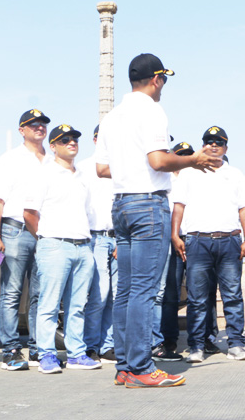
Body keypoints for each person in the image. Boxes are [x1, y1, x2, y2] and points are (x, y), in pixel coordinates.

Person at [96, 53, 218, 388]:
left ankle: (124, 366)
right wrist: (192, 159)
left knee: (126, 291)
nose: (163, 86)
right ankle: (140, 367)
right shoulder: (151, 110)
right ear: (156, 79)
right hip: (148, 204)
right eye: (163, 80)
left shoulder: (112, 117)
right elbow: (158, 160)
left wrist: (131, 166)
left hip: (120, 204)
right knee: (144, 292)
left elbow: (102, 169)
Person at [171, 126, 245, 364]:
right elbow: (178, 205)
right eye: (209, 142)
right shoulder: (188, 172)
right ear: (203, 146)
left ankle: (236, 343)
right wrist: (176, 235)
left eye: (218, 142)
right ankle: (196, 346)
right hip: (198, 241)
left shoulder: (236, 174)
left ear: (226, 147)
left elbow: (244, 208)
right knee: (197, 298)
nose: (213, 146)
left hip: (229, 241)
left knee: (232, 296)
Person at [24, 125, 101, 374]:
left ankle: (77, 353)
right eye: (65, 140)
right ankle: (46, 354)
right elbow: (29, 214)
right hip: (55, 245)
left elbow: (88, 213)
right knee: (48, 304)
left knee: (77, 305)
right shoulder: (43, 173)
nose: (72, 143)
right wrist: (47, 238)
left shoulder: (83, 176)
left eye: (75, 139)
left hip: (82, 246)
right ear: (54, 145)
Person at [0, 109, 52, 371]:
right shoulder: (10, 159)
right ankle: (11, 350)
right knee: (12, 292)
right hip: (15, 231)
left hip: (47, 232)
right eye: (33, 124)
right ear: (22, 130)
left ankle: (38, 348)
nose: (39, 128)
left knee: (40, 294)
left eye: (43, 124)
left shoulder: (53, 160)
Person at [82, 125, 118, 364]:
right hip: (94, 236)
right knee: (99, 294)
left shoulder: (123, 168)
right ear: (96, 139)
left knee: (116, 295)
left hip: (117, 237)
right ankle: (91, 344)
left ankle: (109, 345)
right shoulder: (84, 167)